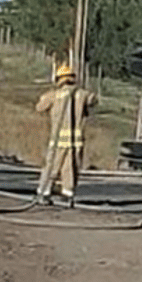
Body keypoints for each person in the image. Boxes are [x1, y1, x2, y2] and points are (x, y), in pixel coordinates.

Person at [35, 64, 97, 205]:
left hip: (58, 140)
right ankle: (68, 194)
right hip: (75, 141)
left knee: (52, 165)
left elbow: (39, 107)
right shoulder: (82, 94)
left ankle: (44, 191)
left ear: (58, 79)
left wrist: (44, 97)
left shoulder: (54, 95)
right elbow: (93, 100)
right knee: (71, 166)